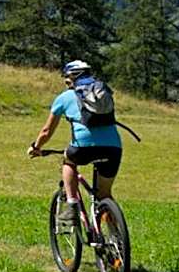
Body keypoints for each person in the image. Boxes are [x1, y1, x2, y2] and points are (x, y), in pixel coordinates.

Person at [28, 60, 123, 224]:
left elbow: (46, 131)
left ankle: (72, 204)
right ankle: (116, 240)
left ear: (70, 78)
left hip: (83, 147)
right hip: (113, 147)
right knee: (104, 194)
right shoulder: (101, 93)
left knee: (69, 161)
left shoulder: (64, 98)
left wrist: (36, 147)